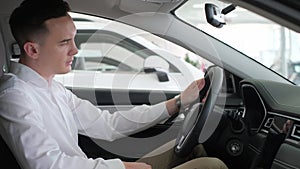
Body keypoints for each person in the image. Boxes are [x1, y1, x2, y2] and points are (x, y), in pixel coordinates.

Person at [0, 0, 228, 168]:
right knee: (212, 165)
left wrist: (177, 102)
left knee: (193, 148)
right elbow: (46, 165)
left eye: (74, 39)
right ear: (32, 50)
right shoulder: (15, 97)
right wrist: (121, 167)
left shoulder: (53, 88)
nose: (75, 49)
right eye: (64, 42)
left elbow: (108, 124)